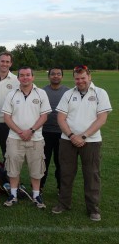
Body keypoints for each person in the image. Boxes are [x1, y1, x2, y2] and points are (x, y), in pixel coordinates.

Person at [52, 65, 112, 221]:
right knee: (66, 173)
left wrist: (83, 136)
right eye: (77, 78)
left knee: (92, 175)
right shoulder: (68, 94)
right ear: (74, 79)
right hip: (67, 140)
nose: (80, 81)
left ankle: (93, 208)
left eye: (83, 78)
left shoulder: (100, 93)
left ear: (89, 77)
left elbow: (102, 119)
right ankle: (64, 203)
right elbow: (60, 118)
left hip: (91, 141)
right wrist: (72, 135)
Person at [2, 66, 51, 209]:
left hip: (35, 138)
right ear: (18, 78)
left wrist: (31, 130)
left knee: (36, 169)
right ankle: (13, 194)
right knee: (13, 168)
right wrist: (20, 132)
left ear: (33, 77)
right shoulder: (11, 94)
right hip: (14, 138)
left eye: (28, 75)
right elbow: (7, 117)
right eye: (22, 75)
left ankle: (36, 195)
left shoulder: (41, 93)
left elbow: (44, 116)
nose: (25, 78)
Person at [40, 68, 69, 192]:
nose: (55, 76)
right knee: (43, 162)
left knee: (61, 163)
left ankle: (61, 188)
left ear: (62, 76)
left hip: (62, 133)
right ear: (49, 76)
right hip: (45, 132)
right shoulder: (42, 91)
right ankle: (39, 187)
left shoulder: (68, 92)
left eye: (58, 74)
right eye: (53, 74)